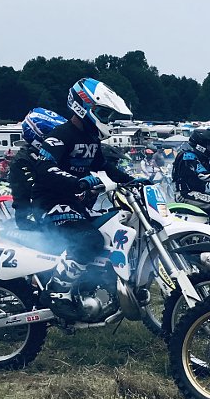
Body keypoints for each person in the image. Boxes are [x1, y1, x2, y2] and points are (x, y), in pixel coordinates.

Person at [29, 78, 137, 309]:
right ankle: (57, 292)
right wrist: (78, 182)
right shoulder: (60, 135)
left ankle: (90, 286)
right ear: (85, 106)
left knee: (108, 230)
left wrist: (132, 180)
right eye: (104, 114)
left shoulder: (91, 139)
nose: (108, 120)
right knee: (90, 240)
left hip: (71, 202)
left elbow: (104, 166)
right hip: (48, 203)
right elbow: (44, 169)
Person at [12, 107, 68, 229]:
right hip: (32, 218)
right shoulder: (23, 161)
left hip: (58, 209)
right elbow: (37, 192)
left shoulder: (55, 157)